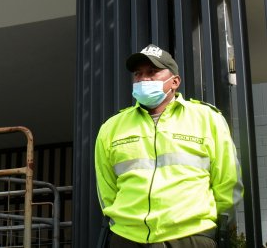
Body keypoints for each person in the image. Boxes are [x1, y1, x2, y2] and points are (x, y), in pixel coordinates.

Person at [94, 44, 241, 248]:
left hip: (191, 237)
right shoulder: (111, 127)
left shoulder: (208, 119)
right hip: (127, 238)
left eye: (152, 72)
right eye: (138, 74)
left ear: (175, 82)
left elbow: (228, 181)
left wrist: (208, 227)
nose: (143, 79)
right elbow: (106, 190)